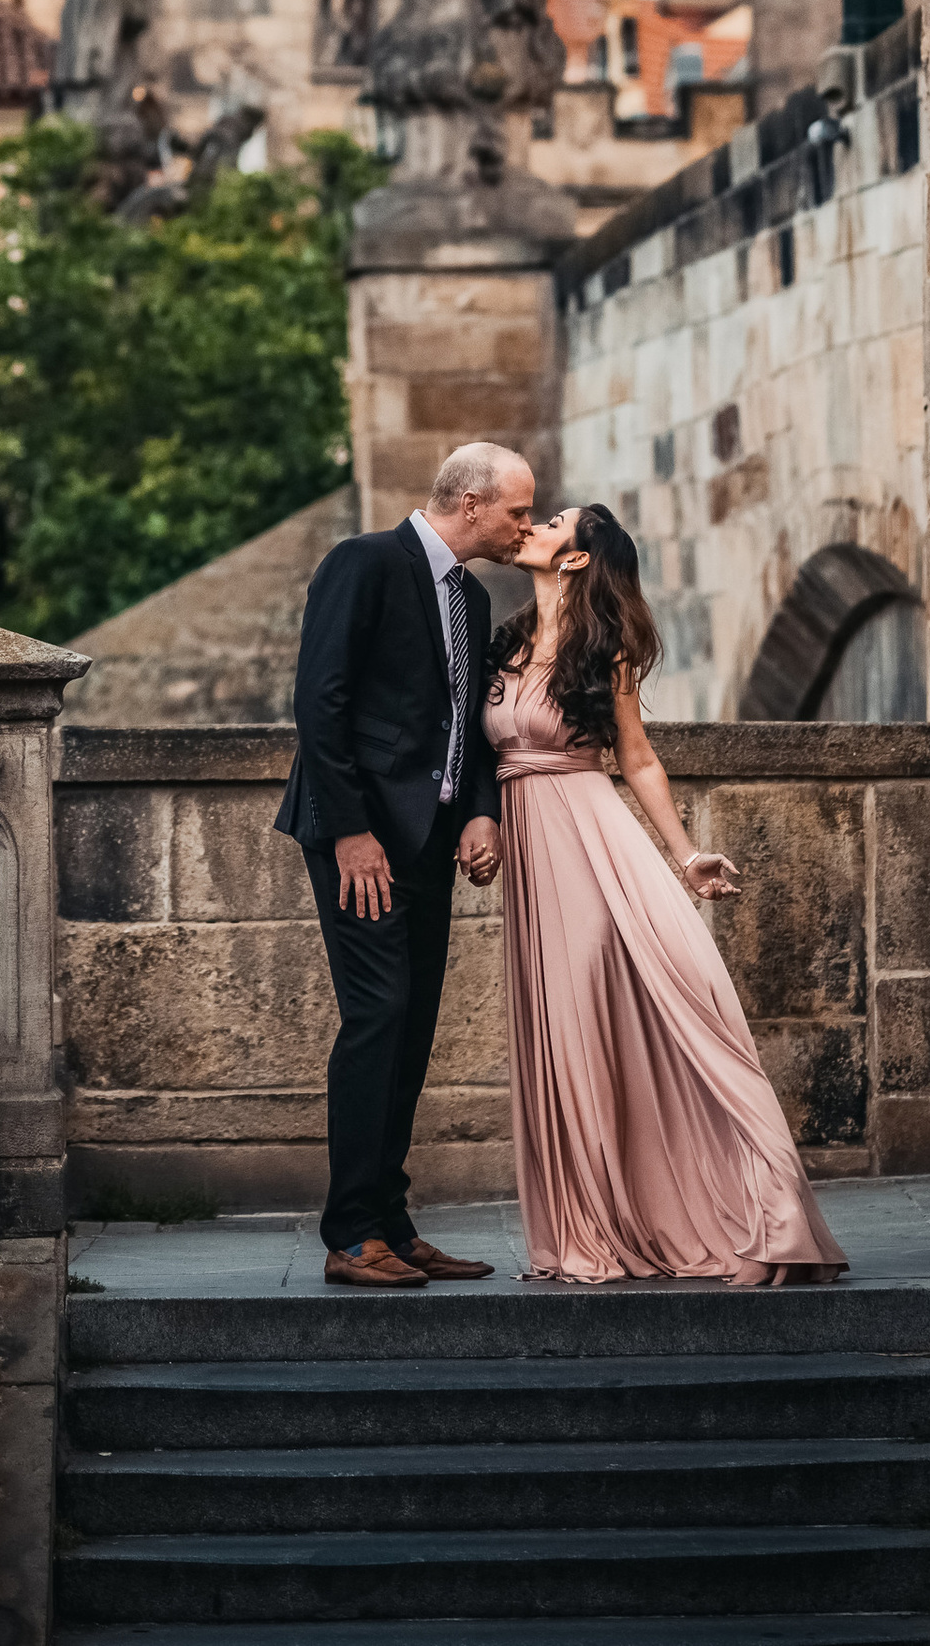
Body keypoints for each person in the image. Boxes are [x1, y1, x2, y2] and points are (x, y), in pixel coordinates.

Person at [485, 500, 847, 1287]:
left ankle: (769, 1210)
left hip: (594, 842)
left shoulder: (603, 649)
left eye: (552, 522)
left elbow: (638, 758)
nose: (535, 525)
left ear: (577, 558)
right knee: (561, 1031)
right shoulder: (502, 642)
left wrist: (686, 857)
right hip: (529, 854)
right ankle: (594, 1221)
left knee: (664, 1006)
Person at [274, 440, 535, 1288]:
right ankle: (351, 1234)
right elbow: (321, 701)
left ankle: (389, 1219)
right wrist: (351, 831)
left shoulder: (466, 595)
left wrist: (479, 814)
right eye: (517, 511)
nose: (524, 525)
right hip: (360, 842)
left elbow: (466, 727)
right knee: (379, 1014)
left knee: (412, 1026)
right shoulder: (364, 561)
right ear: (469, 502)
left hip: (427, 841)